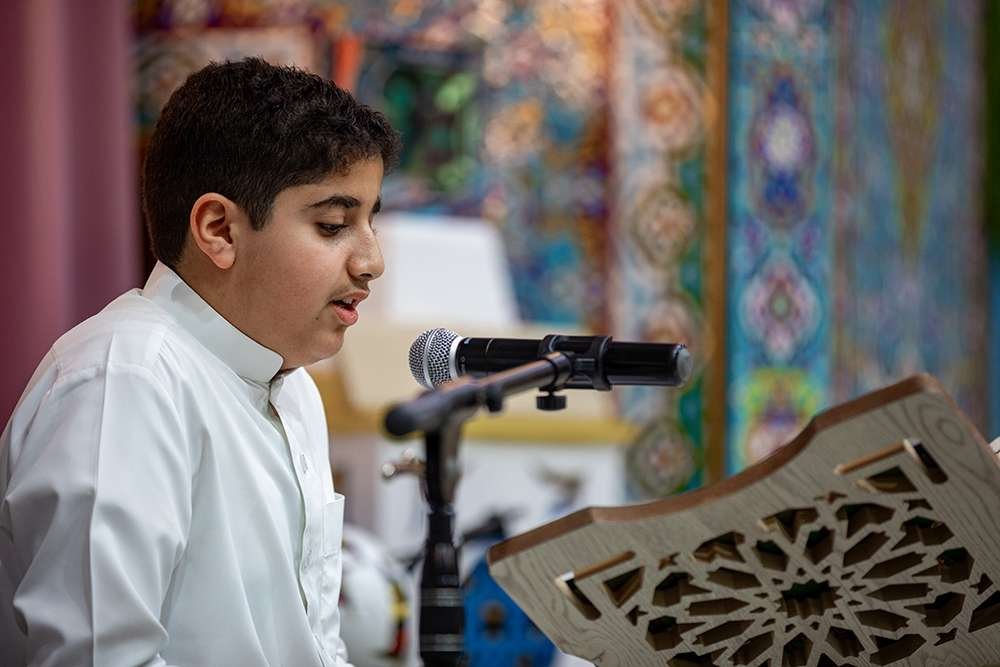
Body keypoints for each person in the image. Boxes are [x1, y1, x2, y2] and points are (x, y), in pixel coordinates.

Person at [0, 57, 400, 666]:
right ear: (219, 230)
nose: (371, 261)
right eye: (332, 225)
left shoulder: (291, 389)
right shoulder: (127, 378)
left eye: (371, 221)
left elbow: (318, 646)